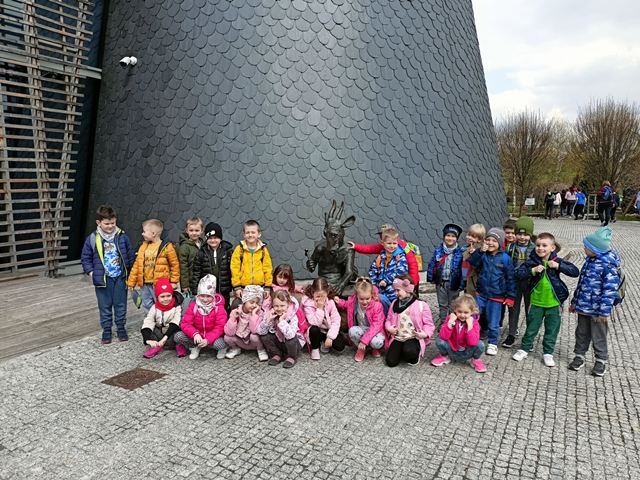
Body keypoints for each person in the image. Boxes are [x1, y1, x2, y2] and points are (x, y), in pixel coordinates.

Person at [512, 233, 579, 366]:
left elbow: (575, 271)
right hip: (536, 302)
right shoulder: (532, 261)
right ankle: (524, 349)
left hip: (553, 303)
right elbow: (518, 274)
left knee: (552, 329)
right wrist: (532, 270)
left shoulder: (557, 261)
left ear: (552, 248)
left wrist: (558, 266)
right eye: (538, 245)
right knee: (531, 328)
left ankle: (548, 353)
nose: (540, 248)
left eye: (544, 245)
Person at [568, 227, 621, 377]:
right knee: (581, 332)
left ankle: (600, 360)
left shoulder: (608, 265)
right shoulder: (589, 261)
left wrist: (604, 311)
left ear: (595, 249)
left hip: (598, 310)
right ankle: (579, 355)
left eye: (586, 247)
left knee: (599, 335)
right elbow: (581, 284)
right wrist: (575, 302)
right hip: (583, 306)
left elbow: (610, 290)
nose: (584, 249)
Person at [81, 205, 135, 344]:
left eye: (113, 223)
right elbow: (85, 258)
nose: (110, 226)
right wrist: (91, 272)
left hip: (120, 277)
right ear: (99, 223)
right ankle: (106, 330)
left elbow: (130, 256)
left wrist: (131, 274)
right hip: (102, 279)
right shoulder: (92, 239)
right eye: (107, 223)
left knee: (120, 304)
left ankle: (121, 327)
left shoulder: (122, 237)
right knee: (104, 306)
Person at [467, 228, 515, 356]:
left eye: (494, 241)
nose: (490, 243)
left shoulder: (505, 258)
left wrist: (510, 296)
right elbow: (472, 262)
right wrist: (479, 252)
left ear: (500, 243)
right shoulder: (483, 254)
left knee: (493, 322)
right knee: (473, 317)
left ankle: (493, 343)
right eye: (488, 240)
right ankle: (472, 338)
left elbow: (511, 278)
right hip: (481, 293)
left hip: (497, 296)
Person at [127, 218, 180, 314]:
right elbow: (136, 265)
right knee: (147, 304)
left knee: (161, 303)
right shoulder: (143, 247)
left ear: (153, 233)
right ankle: (150, 320)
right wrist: (131, 282)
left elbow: (174, 265)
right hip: (144, 284)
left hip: (159, 283)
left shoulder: (167, 247)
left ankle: (163, 320)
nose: (142, 234)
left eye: (144, 232)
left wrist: (174, 281)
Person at [174, 274, 228, 360]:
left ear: (213, 296)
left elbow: (220, 327)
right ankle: (194, 347)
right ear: (198, 295)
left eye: (208, 296)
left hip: (213, 338)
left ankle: (222, 349)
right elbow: (185, 323)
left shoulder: (218, 308)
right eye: (202, 296)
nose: (205, 299)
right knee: (178, 336)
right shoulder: (193, 306)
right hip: (198, 336)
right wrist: (195, 334)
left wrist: (208, 339)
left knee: (219, 344)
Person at [384, 275, 434, 367]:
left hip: (413, 337)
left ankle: (413, 353)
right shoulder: (394, 303)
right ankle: (402, 350)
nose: (395, 293)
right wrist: (389, 328)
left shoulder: (421, 305)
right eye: (395, 290)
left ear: (407, 290)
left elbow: (429, 324)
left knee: (409, 353)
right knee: (390, 362)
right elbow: (388, 319)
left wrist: (425, 334)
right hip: (398, 337)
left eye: (398, 290)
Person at [349, 224, 420, 288]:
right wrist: (356, 246)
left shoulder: (403, 249)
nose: (381, 236)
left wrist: (413, 284)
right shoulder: (385, 247)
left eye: (384, 234)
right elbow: (371, 248)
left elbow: (413, 265)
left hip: (406, 283)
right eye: (381, 235)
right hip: (385, 284)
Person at [431, 294, 486, 373]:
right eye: (459, 312)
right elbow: (443, 337)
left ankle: (475, 360)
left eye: (466, 312)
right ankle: (444, 356)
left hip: (467, 351)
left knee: (480, 345)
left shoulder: (474, 323)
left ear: (472, 312)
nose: (462, 315)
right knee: (439, 341)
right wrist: (450, 322)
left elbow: (473, 342)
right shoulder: (451, 319)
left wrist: (470, 326)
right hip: (452, 350)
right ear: (455, 310)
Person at [334, 277, 386, 362]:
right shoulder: (353, 302)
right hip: (362, 328)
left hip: (375, 331)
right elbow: (347, 304)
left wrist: (364, 340)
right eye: (361, 299)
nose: (364, 302)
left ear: (371, 295)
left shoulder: (377, 306)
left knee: (377, 342)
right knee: (352, 331)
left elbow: (376, 325)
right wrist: (339, 302)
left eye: (367, 299)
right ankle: (361, 349)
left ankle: (374, 348)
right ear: (356, 296)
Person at [503, 216, 535, 348]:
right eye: (519, 234)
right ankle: (511, 334)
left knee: (530, 310)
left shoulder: (535, 248)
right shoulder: (510, 248)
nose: (522, 237)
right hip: (514, 283)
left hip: (529, 282)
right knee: (513, 309)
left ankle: (529, 337)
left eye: (525, 234)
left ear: (530, 235)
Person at [427, 223, 464, 327]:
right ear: (444, 237)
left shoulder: (460, 253)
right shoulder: (438, 251)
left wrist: (462, 283)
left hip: (454, 282)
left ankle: (452, 323)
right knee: (442, 304)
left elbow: (463, 269)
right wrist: (431, 277)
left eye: (453, 236)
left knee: (453, 304)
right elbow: (432, 264)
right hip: (441, 282)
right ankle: (443, 323)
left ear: (457, 238)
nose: (450, 238)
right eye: (448, 235)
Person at [190, 222, 233, 310]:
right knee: (209, 309)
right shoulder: (201, 253)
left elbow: (233, 270)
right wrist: (195, 289)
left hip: (223, 288)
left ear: (220, 238)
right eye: (210, 238)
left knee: (224, 309)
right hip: (207, 290)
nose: (213, 240)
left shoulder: (228, 251)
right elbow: (196, 272)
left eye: (216, 238)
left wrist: (235, 287)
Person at [230, 220, 273, 307]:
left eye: (253, 232)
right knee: (241, 308)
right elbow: (234, 268)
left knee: (259, 309)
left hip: (260, 287)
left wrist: (267, 287)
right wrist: (237, 287)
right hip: (244, 288)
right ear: (244, 234)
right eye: (247, 232)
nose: (250, 235)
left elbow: (268, 269)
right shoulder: (239, 249)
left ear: (259, 234)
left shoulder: (263, 250)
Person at [257, 290, 305, 368]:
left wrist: (282, 321)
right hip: (280, 342)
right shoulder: (271, 313)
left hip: (294, 344)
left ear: (288, 304)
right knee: (264, 336)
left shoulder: (292, 316)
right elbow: (260, 332)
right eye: (276, 306)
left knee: (291, 339)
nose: (279, 309)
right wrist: (268, 320)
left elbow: (290, 335)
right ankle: (277, 354)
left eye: (282, 306)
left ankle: (292, 357)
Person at [302, 277, 345, 360]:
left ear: (327, 293)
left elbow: (336, 320)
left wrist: (330, 337)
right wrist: (320, 308)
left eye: (323, 296)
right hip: (315, 331)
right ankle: (315, 348)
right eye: (317, 296)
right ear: (312, 292)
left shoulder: (330, 302)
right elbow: (314, 323)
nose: (320, 299)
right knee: (314, 329)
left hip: (327, 330)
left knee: (340, 345)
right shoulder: (308, 304)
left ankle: (324, 342)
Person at [140, 278, 183, 358]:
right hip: (160, 333)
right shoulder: (154, 307)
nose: (166, 299)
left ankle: (179, 345)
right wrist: (147, 340)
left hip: (171, 333)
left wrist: (164, 339)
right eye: (162, 297)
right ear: (157, 297)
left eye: (168, 296)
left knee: (179, 332)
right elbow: (148, 321)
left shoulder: (177, 307)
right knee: (147, 326)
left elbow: (175, 322)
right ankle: (155, 346)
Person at [223, 285, 268, 361]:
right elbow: (229, 332)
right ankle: (235, 349)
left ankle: (260, 350)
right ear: (244, 301)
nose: (254, 305)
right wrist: (233, 319)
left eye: (257, 303)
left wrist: (253, 315)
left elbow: (254, 330)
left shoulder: (259, 313)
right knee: (227, 337)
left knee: (254, 336)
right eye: (251, 302)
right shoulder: (236, 311)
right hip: (240, 341)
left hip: (253, 343)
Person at [368, 227, 409, 312]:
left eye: (394, 243)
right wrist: (374, 285)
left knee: (395, 311)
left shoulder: (400, 256)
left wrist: (386, 280)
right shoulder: (380, 257)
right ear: (383, 243)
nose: (392, 246)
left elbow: (401, 272)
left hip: (394, 292)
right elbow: (372, 271)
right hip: (381, 291)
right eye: (389, 243)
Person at [177, 217, 203, 295]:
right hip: (190, 281)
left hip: (202, 279)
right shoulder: (184, 247)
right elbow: (183, 267)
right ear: (187, 231)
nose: (194, 233)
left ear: (202, 231)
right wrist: (185, 285)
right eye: (191, 230)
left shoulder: (203, 244)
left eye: (197, 230)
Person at [461, 224, 486, 297]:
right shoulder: (465, 248)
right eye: (469, 235)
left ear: (479, 239)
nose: (469, 237)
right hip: (465, 277)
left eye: (473, 237)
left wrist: (474, 254)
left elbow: (477, 266)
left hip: (473, 281)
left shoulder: (480, 250)